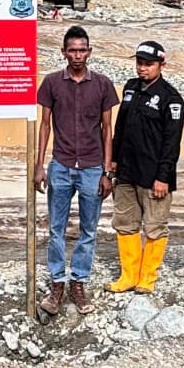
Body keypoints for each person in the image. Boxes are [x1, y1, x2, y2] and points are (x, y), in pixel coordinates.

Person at [33, 25, 118, 315]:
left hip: (93, 168)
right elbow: (44, 125)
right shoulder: (52, 83)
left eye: (82, 50)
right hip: (60, 165)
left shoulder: (103, 84)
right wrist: (38, 166)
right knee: (55, 229)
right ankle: (57, 283)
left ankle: (78, 283)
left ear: (89, 52)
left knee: (89, 230)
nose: (78, 55)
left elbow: (108, 129)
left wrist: (108, 171)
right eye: (72, 50)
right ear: (64, 52)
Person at [106, 40, 184, 295]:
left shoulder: (171, 99)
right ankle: (129, 275)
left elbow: (172, 144)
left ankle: (147, 278)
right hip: (127, 172)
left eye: (148, 64)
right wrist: (114, 159)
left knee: (154, 226)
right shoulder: (130, 89)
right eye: (139, 63)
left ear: (162, 65)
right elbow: (120, 127)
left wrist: (163, 177)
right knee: (125, 222)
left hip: (154, 177)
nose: (142, 68)